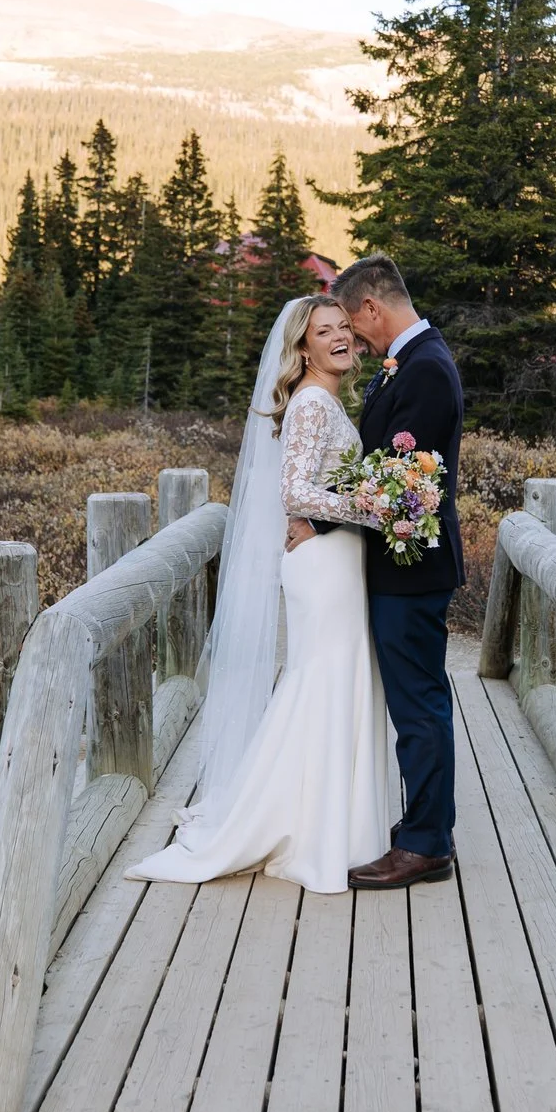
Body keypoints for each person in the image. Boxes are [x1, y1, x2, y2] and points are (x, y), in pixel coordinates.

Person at [126, 296, 399, 893]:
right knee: (322, 682)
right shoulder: (308, 404)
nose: (340, 340)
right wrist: (375, 510)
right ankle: (299, 827)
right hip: (323, 565)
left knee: (340, 680)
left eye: (344, 330)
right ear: (301, 348)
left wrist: (363, 507)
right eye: (324, 332)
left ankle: (339, 826)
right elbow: (297, 493)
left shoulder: (325, 401)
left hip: (338, 559)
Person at [308, 254, 465, 891]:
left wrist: (316, 521)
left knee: (419, 704)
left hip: (413, 569)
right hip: (400, 565)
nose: (354, 337)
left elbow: (402, 485)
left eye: (353, 322)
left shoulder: (425, 368)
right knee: (414, 700)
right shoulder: (414, 358)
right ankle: (423, 829)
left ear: (372, 308)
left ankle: (426, 844)